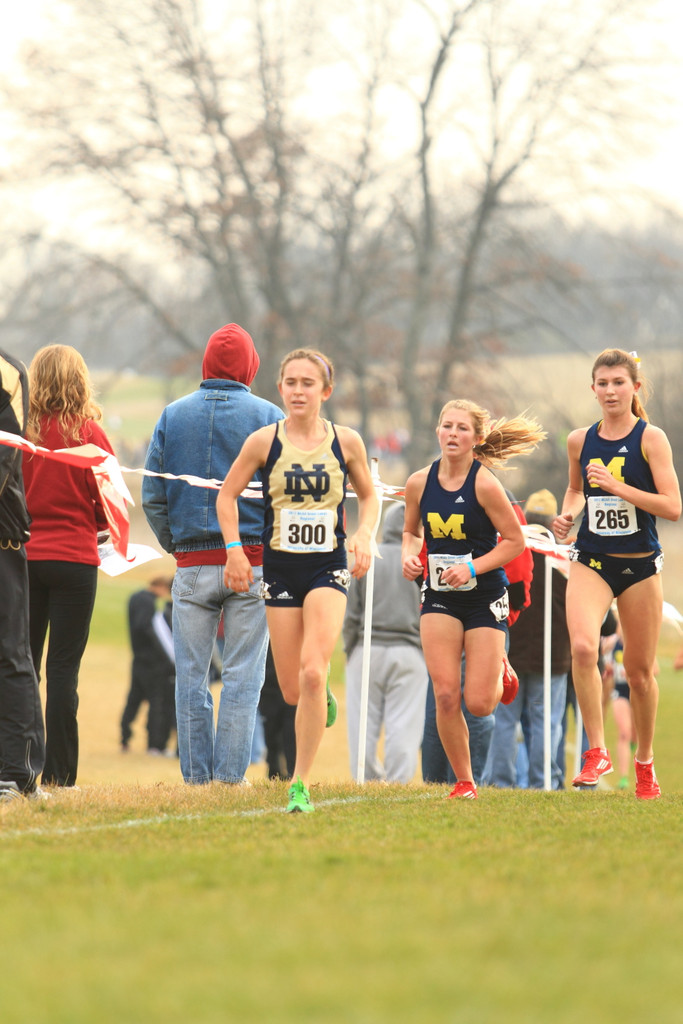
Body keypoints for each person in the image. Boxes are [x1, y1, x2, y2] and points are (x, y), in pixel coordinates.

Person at [217, 348, 378, 813]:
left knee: (311, 669)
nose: (298, 391)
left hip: (328, 567)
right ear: (280, 388)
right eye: (290, 382)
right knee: (293, 689)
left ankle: (299, 783)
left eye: (308, 383)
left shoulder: (346, 442)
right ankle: (318, 691)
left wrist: (364, 535)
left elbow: (369, 498)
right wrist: (233, 552)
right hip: (281, 569)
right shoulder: (262, 442)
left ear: (325, 391)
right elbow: (226, 499)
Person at [142, 323, 284, 786]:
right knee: (244, 677)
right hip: (253, 561)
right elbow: (285, 495)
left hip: (192, 564)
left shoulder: (172, 415)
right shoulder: (269, 416)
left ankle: (196, 779)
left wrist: (178, 545)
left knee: (191, 677)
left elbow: (152, 495)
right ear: (250, 366)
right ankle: (229, 778)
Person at [552, 348, 681, 799]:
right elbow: (573, 489)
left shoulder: (652, 438)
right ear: (593, 389)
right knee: (584, 648)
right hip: (592, 560)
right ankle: (597, 749)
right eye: (602, 384)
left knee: (641, 673)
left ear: (634, 388)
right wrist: (566, 516)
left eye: (618, 383)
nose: (610, 391)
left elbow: (672, 507)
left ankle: (644, 762)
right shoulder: (579, 440)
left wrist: (616, 486)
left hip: (641, 566)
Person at [402, 398, 546, 799]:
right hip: (440, 596)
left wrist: (471, 567)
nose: (452, 433)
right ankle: (465, 783)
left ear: (476, 438)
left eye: (462, 428)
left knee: (480, 704)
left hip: (484, 596)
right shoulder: (419, 482)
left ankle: (500, 666)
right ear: (437, 431)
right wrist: (409, 556)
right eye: (447, 425)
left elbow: (516, 542)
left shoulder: (485, 484)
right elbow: (411, 532)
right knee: (445, 694)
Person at [22, 344, 115, 789]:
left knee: (21, 665)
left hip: (23, 558)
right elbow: (111, 506)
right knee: (63, 670)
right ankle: (60, 775)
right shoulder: (91, 435)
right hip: (76, 559)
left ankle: (16, 767)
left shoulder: (19, 433)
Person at [421, 490, 533, 786]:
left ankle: (474, 778)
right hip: (444, 609)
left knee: (479, 706)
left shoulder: (499, 495)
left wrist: (505, 620)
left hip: (486, 614)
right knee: (442, 698)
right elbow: (424, 551)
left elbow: (520, 567)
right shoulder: (431, 488)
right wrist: (417, 571)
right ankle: (443, 783)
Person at [487, 489, 570, 789]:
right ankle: (542, 782)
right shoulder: (564, 562)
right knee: (545, 724)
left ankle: (502, 782)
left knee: (505, 722)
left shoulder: (509, 552)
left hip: (513, 654)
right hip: (555, 658)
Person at [343, 501, 428, 784]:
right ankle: (398, 782)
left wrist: (350, 650)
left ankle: (364, 778)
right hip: (410, 652)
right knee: (404, 724)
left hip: (367, 649)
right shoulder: (421, 564)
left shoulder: (369, 557)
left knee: (361, 724)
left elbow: (351, 613)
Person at [0, 348, 46, 802]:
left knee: (11, 653)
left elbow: (5, 454)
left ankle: (18, 771)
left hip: (2, 536)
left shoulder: (8, 373)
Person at [120, 576, 176, 756]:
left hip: (138, 659)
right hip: (151, 662)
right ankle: (155, 745)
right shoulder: (148, 601)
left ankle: (125, 738)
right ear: (159, 586)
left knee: (133, 700)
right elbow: (145, 627)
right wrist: (162, 652)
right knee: (156, 701)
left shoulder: (135, 597)